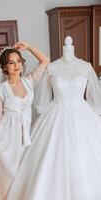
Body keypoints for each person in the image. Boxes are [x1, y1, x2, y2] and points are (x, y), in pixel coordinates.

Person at [6, 36, 101, 200]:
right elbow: (43, 101)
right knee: (48, 158)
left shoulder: (86, 67)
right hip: (56, 113)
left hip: (82, 116)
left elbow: (95, 101)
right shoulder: (52, 68)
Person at [0, 42, 50, 200]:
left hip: (27, 136)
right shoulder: (1, 89)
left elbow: (45, 60)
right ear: (5, 67)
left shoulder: (29, 81)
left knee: (27, 174)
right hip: (7, 138)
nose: (16, 65)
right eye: (11, 63)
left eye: (18, 61)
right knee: (11, 175)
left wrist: (29, 47)